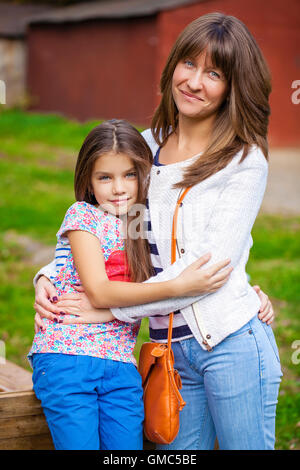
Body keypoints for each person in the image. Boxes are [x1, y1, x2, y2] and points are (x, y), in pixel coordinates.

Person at [33, 13, 281, 450]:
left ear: (233, 87)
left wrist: (105, 306)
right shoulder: (143, 148)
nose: (194, 82)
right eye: (188, 64)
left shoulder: (244, 162)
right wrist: (51, 280)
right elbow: (95, 225)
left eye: (214, 73)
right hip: (168, 351)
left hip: (230, 342)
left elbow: (204, 272)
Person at [28, 119, 233, 451]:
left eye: (130, 175)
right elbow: (99, 290)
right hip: (68, 356)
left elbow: (206, 252)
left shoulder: (146, 225)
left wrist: (246, 290)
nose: (118, 188)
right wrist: (178, 286)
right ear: (88, 181)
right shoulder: (84, 216)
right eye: (105, 177)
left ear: (145, 175)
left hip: (121, 364)